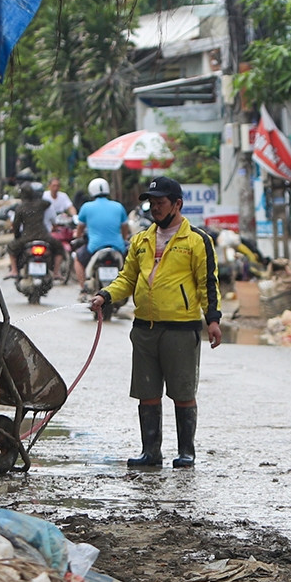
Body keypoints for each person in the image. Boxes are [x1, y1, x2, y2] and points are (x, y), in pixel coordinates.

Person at [90, 177, 222, 469]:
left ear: (177, 204)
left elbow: (207, 283)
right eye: (152, 203)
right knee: (147, 393)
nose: (155, 208)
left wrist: (212, 320)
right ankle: (151, 453)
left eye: (161, 203)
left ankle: (186, 452)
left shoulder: (198, 240)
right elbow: (127, 278)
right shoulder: (141, 239)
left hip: (181, 329)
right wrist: (106, 295)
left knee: (183, 392)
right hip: (144, 329)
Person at [73, 177, 131, 284]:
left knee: (78, 259)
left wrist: (77, 237)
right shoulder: (118, 206)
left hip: (94, 246)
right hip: (118, 247)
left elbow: (80, 228)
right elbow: (125, 228)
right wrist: (124, 239)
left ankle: (83, 289)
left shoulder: (86, 207)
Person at [7, 180, 50, 274]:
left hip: (27, 237)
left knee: (11, 247)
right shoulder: (40, 204)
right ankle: (56, 272)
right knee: (58, 248)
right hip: (43, 236)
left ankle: (14, 270)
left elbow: (16, 225)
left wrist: (17, 236)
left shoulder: (20, 208)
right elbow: (48, 203)